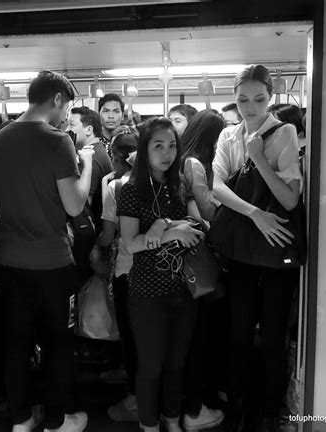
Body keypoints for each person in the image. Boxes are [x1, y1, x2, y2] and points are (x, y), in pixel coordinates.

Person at [0, 70, 91, 432]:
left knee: (16, 343)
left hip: (10, 261)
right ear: (58, 100)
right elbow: (75, 205)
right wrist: (89, 166)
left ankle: (19, 418)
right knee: (57, 343)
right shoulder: (57, 140)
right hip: (52, 263)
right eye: (69, 107)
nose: (67, 116)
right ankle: (58, 419)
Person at [212, 64, 303, 432]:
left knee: (273, 331)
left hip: (275, 246)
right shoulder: (227, 134)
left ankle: (269, 409)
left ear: (271, 97)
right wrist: (256, 215)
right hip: (246, 241)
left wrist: (258, 157)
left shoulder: (284, 132)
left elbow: (290, 198)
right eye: (243, 99)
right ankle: (239, 404)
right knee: (238, 330)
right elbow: (217, 187)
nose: (250, 107)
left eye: (259, 99)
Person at [118, 117, 204, 432]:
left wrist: (164, 223)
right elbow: (130, 243)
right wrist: (168, 229)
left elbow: (198, 228)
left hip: (184, 288)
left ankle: (171, 418)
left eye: (171, 146)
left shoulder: (179, 182)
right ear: (144, 150)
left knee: (176, 364)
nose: (166, 153)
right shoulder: (132, 189)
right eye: (158, 146)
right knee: (151, 365)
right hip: (146, 293)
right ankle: (149, 424)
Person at [179, 109, 226, 431]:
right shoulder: (195, 164)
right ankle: (195, 408)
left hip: (180, 260)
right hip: (198, 258)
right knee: (200, 337)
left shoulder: (180, 158)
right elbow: (206, 207)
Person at [97, 131, 139, 422]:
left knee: (130, 336)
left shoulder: (119, 187)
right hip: (161, 274)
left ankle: (135, 399)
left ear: (121, 158)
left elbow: (108, 234)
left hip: (127, 271)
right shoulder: (165, 182)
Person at [66, 106, 113, 282]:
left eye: (71, 124)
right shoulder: (98, 151)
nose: (67, 130)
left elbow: (83, 206)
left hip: (89, 238)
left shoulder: (91, 159)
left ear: (89, 129)